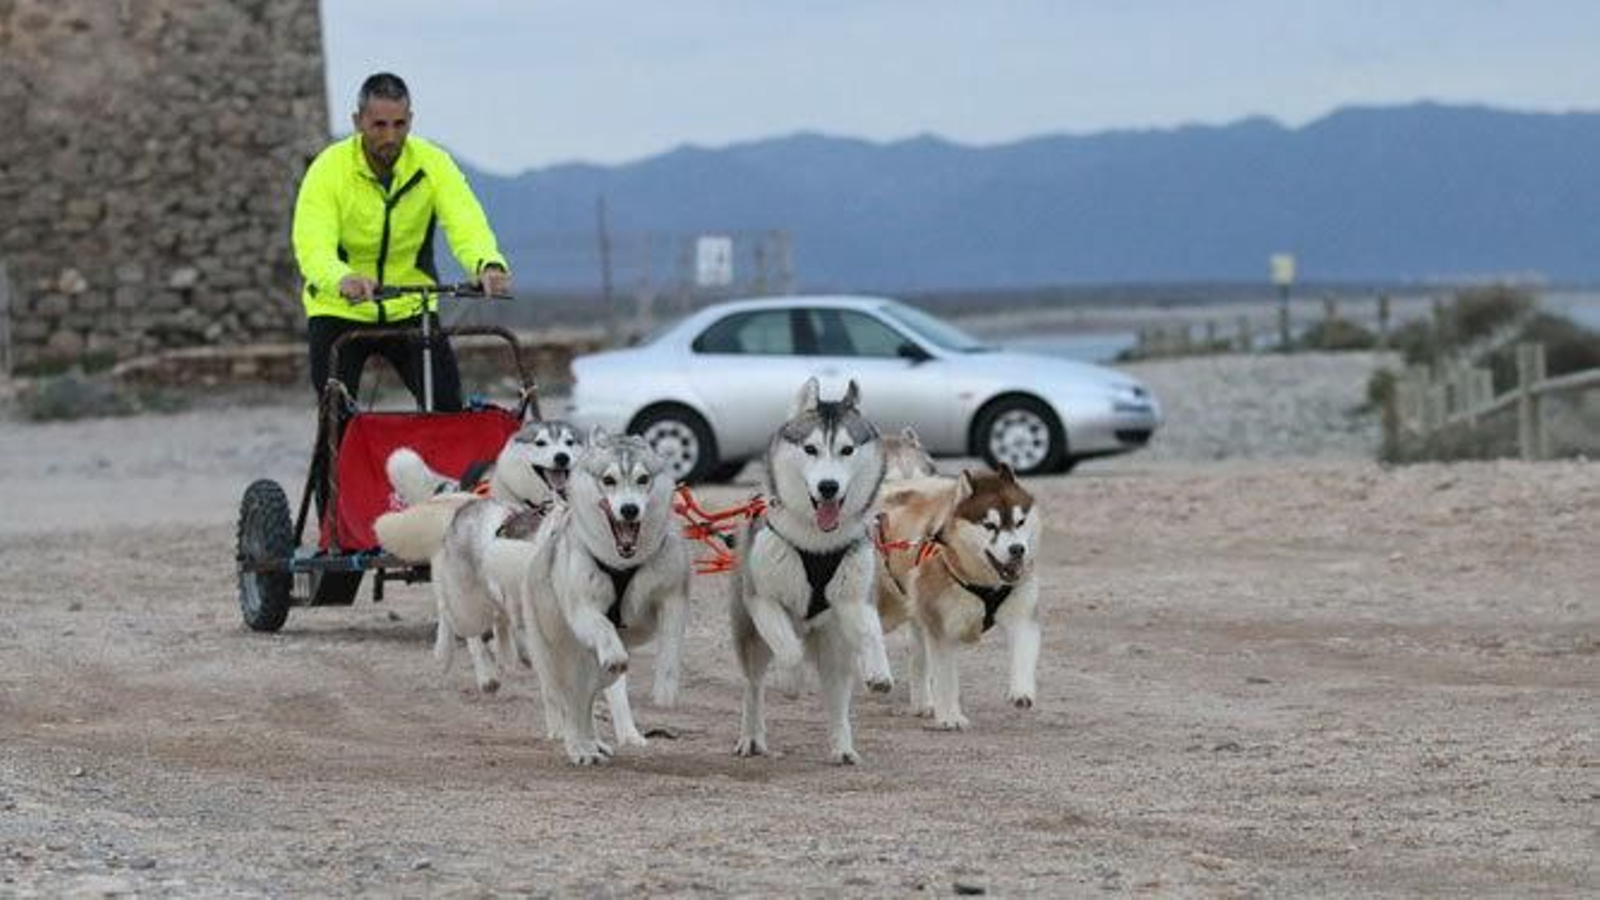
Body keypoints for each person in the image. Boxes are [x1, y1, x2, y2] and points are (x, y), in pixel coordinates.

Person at [292, 72, 512, 412]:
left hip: (410, 306)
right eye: (379, 125)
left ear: (410, 121)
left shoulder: (432, 164)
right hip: (339, 307)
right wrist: (341, 278)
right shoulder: (328, 170)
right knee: (336, 418)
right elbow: (312, 243)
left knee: (446, 407)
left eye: (399, 124)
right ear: (358, 121)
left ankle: (437, 465)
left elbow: (465, 220)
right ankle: (332, 466)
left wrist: (488, 264)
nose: (390, 136)